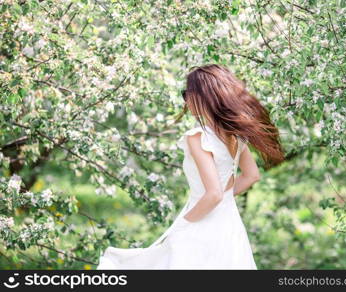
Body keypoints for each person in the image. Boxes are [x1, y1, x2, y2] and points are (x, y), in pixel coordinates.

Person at [96, 64, 285, 269]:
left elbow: (214, 194)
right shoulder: (236, 136)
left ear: (202, 96)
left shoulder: (198, 137)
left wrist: (185, 224)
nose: (185, 100)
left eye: (187, 93)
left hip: (200, 226)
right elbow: (251, 176)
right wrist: (224, 200)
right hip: (229, 227)